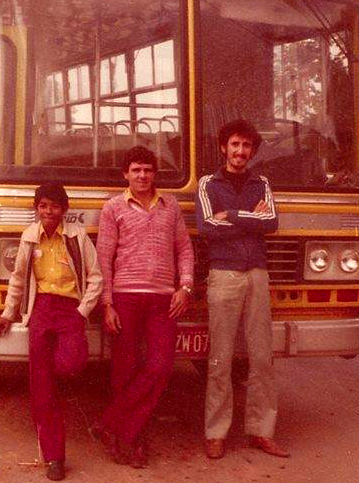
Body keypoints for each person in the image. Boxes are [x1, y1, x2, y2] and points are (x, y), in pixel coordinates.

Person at [0, 181, 102, 481]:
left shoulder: (77, 237)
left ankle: (56, 382)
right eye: (43, 206)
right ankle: (54, 457)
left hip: (70, 310)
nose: (48, 211)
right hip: (41, 309)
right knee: (42, 388)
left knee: (72, 363)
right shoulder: (29, 237)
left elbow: (96, 278)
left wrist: (82, 312)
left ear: (64, 209)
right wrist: (8, 314)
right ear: (36, 209)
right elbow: (18, 279)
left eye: (54, 206)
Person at [92, 145, 194, 468]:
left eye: (147, 170)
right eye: (136, 170)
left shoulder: (170, 206)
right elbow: (104, 258)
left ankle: (110, 423)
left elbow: (184, 249)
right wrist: (107, 304)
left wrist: (185, 287)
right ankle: (131, 438)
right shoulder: (113, 208)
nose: (142, 175)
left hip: (163, 299)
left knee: (161, 366)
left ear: (154, 174)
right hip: (126, 297)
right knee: (125, 369)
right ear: (126, 174)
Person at [195, 119, 290, 460]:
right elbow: (207, 227)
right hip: (224, 274)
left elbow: (272, 223)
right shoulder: (208, 183)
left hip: (257, 274)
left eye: (246, 146)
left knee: (262, 357)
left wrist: (233, 214)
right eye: (235, 144)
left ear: (252, 151)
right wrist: (251, 218)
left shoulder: (261, 183)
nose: (240, 151)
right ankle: (216, 433)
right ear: (224, 147)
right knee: (220, 358)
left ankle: (261, 431)